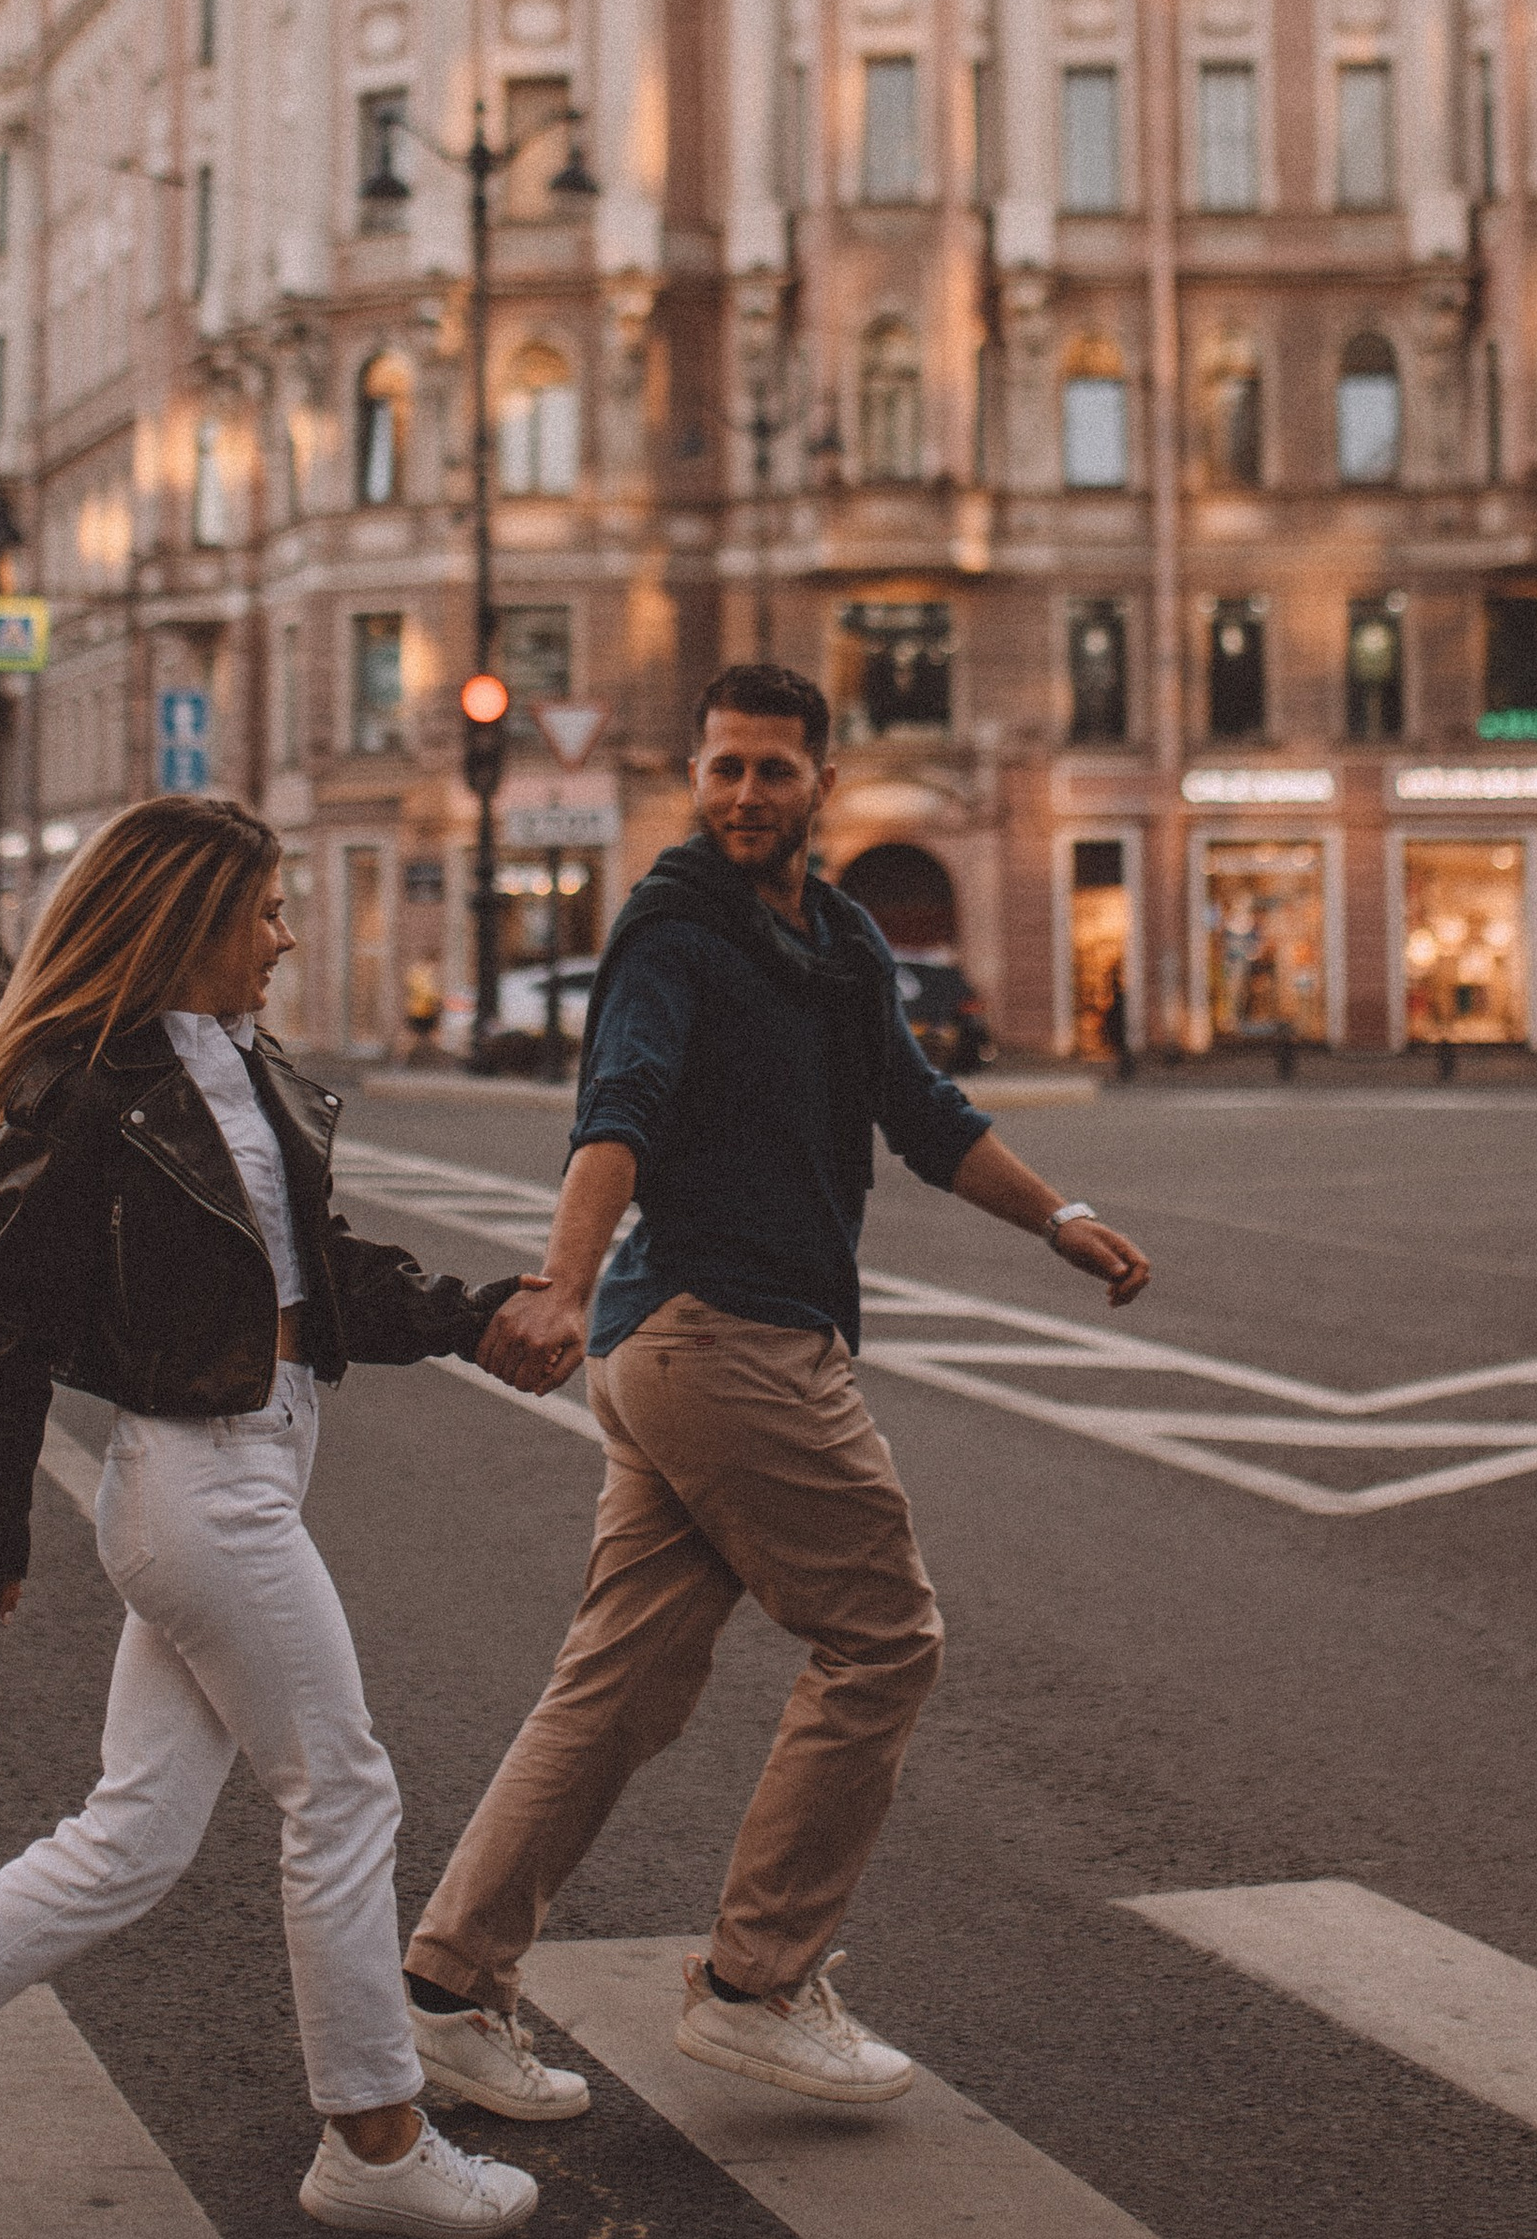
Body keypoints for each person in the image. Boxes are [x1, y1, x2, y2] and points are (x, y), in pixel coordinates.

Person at [0, 794, 544, 2239]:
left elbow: (321, 1285)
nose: (286, 937)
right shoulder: (96, 1093)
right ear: (189, 918)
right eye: (263, 912)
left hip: (237, 1475)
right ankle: (376, 2138)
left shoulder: (236, 1070)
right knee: (343, 1790)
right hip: (205, 1490)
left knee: (135, 1835)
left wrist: (477, 1319)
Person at [399, 661, 1151, 2119]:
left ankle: (444, 1985)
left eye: (772, 770)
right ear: (696, 778)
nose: (745, 795)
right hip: (722, 1340)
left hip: (692, 1354)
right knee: (884, 1638)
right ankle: (755, 1983)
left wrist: (1059, 1221)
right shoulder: (674, 931)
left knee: (614, 1690)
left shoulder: (838, 938)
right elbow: (615, 1111)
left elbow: (924, 1117)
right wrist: (556, 1280)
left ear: (823, 780)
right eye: (723, 768)